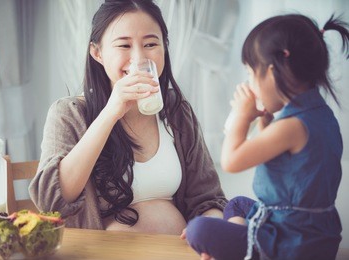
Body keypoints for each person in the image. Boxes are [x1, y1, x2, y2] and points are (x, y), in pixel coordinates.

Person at [29, 0, 227, 234]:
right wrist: (112, 112)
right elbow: (52, 201)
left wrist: (213, 226)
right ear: (97, 53)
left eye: (151, 44)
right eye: (124, 45)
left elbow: (208, 198)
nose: (139, 58)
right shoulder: (68, 113)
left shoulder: (176, 111)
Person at [185, 13, 349, 260]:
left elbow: (232, 161)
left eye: (252, 74)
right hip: (309, 230)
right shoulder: (319, 114)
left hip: (291, 242)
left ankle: (245, 250)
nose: (250, 83)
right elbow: (273, 156)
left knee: (198, 229)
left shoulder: (292, 126)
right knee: (238, 204)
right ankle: (242, 247)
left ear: (272, 73)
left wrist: (241, 116)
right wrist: (263, 119)